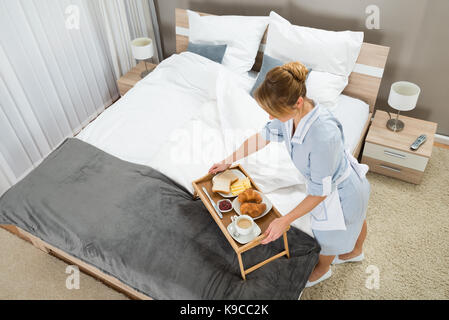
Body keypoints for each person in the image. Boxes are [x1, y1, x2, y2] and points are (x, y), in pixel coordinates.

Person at [208, 62, 370, 287]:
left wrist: (285, 220)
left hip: (344, 192)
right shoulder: (291, 115)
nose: (270, 117)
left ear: (298, 103)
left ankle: (325, 269)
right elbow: (262, 137)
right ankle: (354, 251)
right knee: (355, 221)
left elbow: (320, 192)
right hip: (335, 184)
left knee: (332, 235)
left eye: (274, 112)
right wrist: (229, 160)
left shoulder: (323, 136)